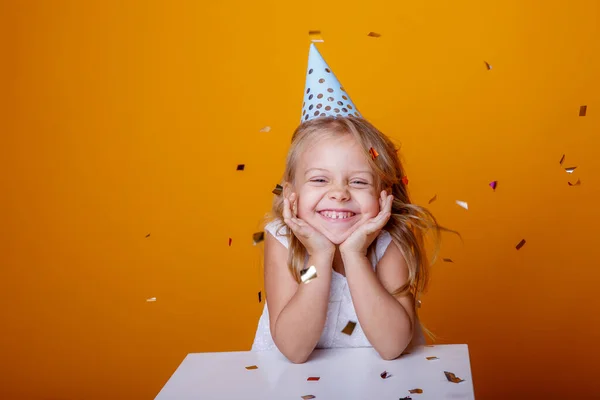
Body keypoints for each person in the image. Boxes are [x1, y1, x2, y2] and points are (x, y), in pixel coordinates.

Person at [251, 44, 442, 364]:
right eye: (320, 180)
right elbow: (295, 350)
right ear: (290, 195)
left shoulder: (389, 240)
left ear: (384, 194)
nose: (339, 194)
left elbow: (392, 345)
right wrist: (320, 256)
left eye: (358, 182)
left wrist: (355, 255)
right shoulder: (281, 239)